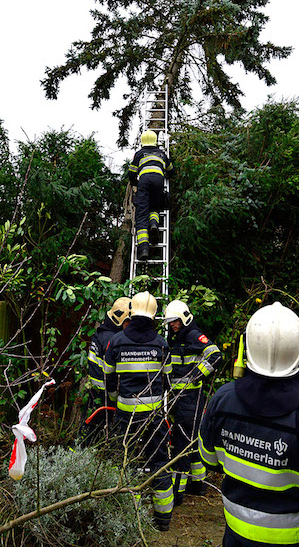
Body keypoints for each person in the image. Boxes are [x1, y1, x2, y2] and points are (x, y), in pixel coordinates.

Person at [198, 302, 299, 547]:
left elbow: (208, 459)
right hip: (291, 540)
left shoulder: (222, 400)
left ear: (247, 347)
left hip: (235, 534)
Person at [104, 291, 173, 532]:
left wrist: (114, 402)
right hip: (153, 415)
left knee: (125, 463)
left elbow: (109, 379)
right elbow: (168, 382)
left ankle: (128, 517)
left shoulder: (117, 341)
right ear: (155, 316)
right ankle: (163, 520)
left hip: (125, 415)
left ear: (131, 313)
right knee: (160, 462)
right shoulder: (162, 344)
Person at [164, 299, 222, 505]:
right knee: (192, 442)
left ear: (184, 318)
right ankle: (198, 484)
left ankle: (177, 495)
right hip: (180, 399)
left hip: (191, 399)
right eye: (170, 322)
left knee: (181, 447)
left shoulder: (193, 335)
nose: (172, 325)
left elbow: (215, 355)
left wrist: (197, 375)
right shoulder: (177, 338)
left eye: (175, 321)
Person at [84, 296, 131, 445]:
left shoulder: (102, 333)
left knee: (89, 431)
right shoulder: (112, 340)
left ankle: (78, 457)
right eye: (128, 322)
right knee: (95, 434)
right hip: (104, 393)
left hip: (95, 391)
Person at [128, 129, 174, 260]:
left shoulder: (139, 154)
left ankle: (143, 249)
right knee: (155, 206)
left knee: (141, 214)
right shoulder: (161, 153)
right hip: (159, 181)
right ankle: (154, 224)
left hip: (144, 181)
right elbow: (171, 170)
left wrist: (133, 183)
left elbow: (132, 172)